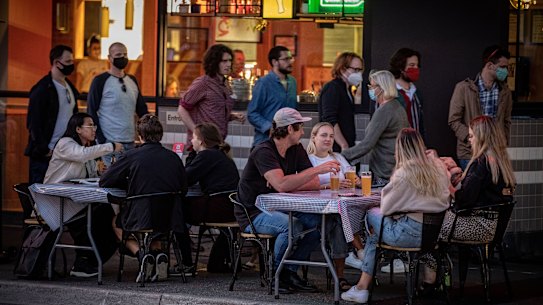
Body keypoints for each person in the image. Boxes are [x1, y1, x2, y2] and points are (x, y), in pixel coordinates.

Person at [236, 107, 341, 294]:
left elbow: (313, 183)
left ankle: (288, 272)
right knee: (290, 226)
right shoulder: (263, 151)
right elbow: (285, 184)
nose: (303, 132)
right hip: (254, 213)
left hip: (281, 207)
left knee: (320, 223)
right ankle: (273, 274)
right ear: (289, 129)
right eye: (300, 127)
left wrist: (286, 182)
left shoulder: (296, 149)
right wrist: (313, 171)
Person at [341, 128, 451, 304]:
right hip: (433, 235)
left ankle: (361, 282)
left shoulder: (404, 172)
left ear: (399, 148)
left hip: (407, 235)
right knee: (375, 236)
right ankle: (363, 284)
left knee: (371, 215)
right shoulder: (438, 166)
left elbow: (386, 207)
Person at [100, 114, 188, 283]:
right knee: (156, 228)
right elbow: (183, 189)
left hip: (140, 215)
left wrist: (129, 183)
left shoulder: (132, 155)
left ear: (140, 136)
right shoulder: (173, 158)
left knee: (116, 222)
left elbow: (105, 180)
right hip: (169, 218)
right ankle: (158, 254)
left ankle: (142, 255)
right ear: (160, 135)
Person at [44, 112, 122, 278]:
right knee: (99, 215)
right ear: (78, 129)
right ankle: (83, 261)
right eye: (90, 125)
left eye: (94, 125)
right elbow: (80, 155)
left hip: (74, 201)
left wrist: (102, 173)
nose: (94, 129)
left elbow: (89, 174)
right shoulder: (66, 144)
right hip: (56, 203)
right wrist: (110, 146)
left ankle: (89, 260)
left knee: (105, 212)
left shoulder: (86, 149)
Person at [306, 122, 365, 291]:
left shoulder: (338, 157)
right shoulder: (308, 159)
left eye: (331, 136)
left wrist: (355, 181)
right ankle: (359, 252)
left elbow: (355, 181)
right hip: (317, 208)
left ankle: (354, 258)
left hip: (340, 207)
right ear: (314, 137)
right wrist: (332, 185)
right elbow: (305, 184)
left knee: (352, 215)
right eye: (323, 135)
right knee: (340, 219)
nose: (328, 139)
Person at [180, 122, 240, 273]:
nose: (191, 141)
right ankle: (214, 261)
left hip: (217, 207)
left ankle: (185, 262)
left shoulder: (207, 155)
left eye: (193, 138)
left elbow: (186, 177)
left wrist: (192, 154)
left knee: (176, 211)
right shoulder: (221, 155)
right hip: (231, 207)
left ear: (201, 141)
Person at [448, 45, 512, 170]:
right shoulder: (464, 88)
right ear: (489, 65)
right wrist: (471, 138)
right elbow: (453, 120)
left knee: (492, 189)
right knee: (472, 188)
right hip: (470, 153)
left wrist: (503, 144)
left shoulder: (505, 92)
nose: (506, 71)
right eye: (502, 67)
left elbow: (506, 121)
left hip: (495, 153)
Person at [341, 70, 409, 185]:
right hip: (395, 167)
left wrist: (342, 156)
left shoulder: (385, 110)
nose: (370, 89)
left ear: (382, 87)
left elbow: (367, 144)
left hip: (384, 170)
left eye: (372, 86)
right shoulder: (397, 107)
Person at [87, 42, 149, 166]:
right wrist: (101, 139)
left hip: (130, 142)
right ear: (109, 58)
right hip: (109, 144)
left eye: (125, 54)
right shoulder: (100, 81)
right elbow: (91, 111)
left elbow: (141, 109)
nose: (122, 57)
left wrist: (147, 135)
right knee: (110, 181)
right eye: (118, 54)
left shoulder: (132, 81)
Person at [25, 44, 79, 184]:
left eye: (72, 61)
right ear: (56, 63)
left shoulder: (70, 88)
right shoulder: (42, 89)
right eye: (68, 62)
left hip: (65, 152)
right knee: (40, 196)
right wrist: (44, 149)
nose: (71, 65)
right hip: (46, 155)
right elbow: (34, 123)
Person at [177, 44, 245, 148]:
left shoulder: (224, 84)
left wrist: (231, 116)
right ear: (214, 62)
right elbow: (182, 109)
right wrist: (196, 131)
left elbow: (213, 110)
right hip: (202, 145)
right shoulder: (203, 83)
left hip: (218, 143)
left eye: (230, 60)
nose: (228, 64)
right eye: (224, 61)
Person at [247, 46, 297, 148]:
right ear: (274, 62)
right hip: (265, 143)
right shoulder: (263, 83)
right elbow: (252, 113)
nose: (290, 62)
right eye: (286, 59)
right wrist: (269, 127)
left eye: (290, 58)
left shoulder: (292, 82)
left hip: (287, 144)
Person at [318, 52, 364, 152]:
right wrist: (343, 144)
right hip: (335, 148)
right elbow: (329, 119)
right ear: (343, 69)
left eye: (360, 70)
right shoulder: (333, 88)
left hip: (344, 147)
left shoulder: (347, 90)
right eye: (355, 70)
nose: (358, 73)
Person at [389, 48, 425, 138]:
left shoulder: (416, 94)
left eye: (417, 65)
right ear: (401, 67)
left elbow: (420, 124)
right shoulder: (388, 92)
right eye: (412, 65)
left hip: (414, 145)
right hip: (395, 147)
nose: (416, 68)